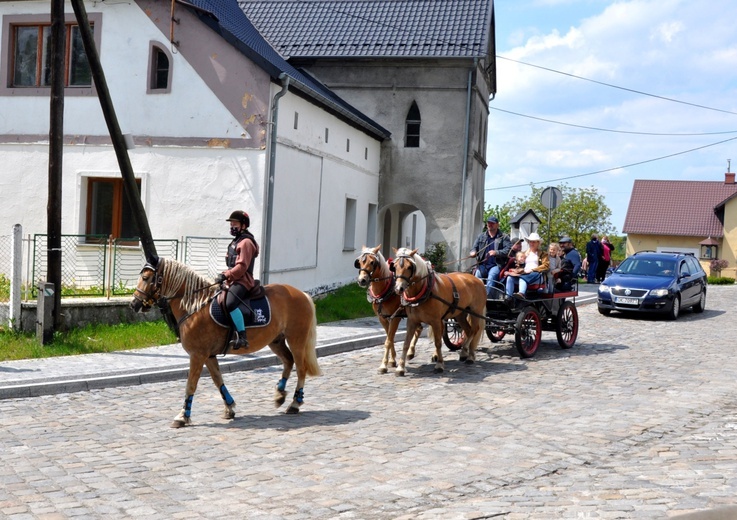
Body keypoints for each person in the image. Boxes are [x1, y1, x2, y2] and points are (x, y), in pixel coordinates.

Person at [215, 210, 260, 350]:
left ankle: (242, 336)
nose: (232, 226)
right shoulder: (236, 241)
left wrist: (226, 275)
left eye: (235, 223)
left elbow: (241, 267)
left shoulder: (246, 242)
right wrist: (224, 275)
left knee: (230, 303)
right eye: (231, 223)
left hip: (243, 281)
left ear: (243, 225)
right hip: (233, 279)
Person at [469, 216, 512, 290]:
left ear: (497, 225)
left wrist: (496, 252)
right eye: (488, 223)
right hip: (482, 265)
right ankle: (476, 297)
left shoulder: (504, 237)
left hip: (496, 265)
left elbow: (508, 250)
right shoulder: (481, 236)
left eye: (492, 223)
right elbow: (474, 248)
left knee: (491, 277)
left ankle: (487, 298)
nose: (490, 225)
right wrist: (473, 252)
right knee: (477, 277)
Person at [505, 233, 548, 298]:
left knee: (523, 278)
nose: (531, 244)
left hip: (537, 275)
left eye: (534, 242)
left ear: (538, 243)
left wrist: (532, 270)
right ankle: (508, 297)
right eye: (530, 242)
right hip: (524, 274)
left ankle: (521, 294)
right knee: (510, 278)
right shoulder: (525, 253)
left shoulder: (543, 254)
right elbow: (519, 264)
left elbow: (546, 266)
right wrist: (518, 264)